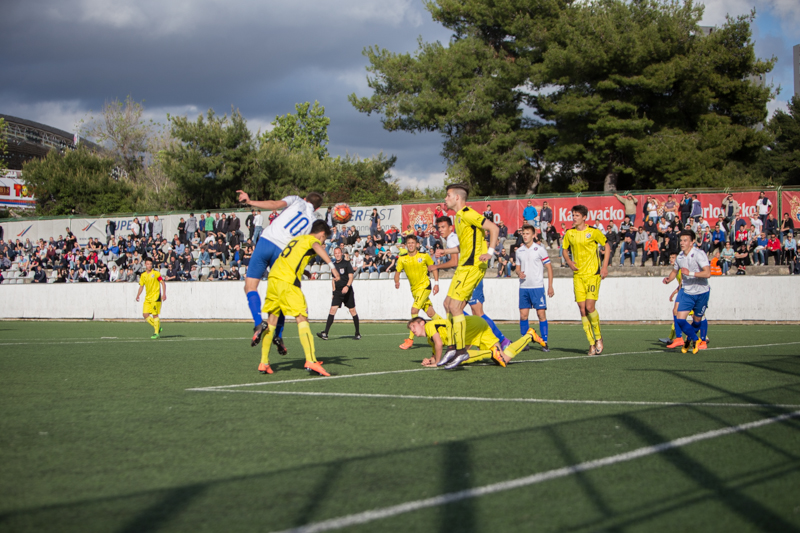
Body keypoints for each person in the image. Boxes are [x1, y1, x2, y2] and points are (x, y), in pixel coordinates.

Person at [237, 189, 323, 354]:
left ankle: (258, 322)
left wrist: (249, 202)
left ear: (305, 199)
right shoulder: (312, 221)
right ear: (317, 209)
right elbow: (303, 246)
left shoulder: (297, 200)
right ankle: (279, 335)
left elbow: (275, 205)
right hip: (283, 253)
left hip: (267, 241)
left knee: (250, 286)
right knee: (279, 296)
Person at [256, 220, 339, 376]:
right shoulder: (312, 240)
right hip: (288, 282)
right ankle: (311, 360)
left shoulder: (297, 240)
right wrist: (332, 267)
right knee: (302, 318)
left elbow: (292, 259)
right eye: (324, 239)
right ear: (321, 235)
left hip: (274, 279)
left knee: (272, 321)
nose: (322, 242)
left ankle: (264, 362)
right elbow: (316, 246)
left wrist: (305, 272)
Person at [430, 200, 504, 367]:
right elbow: (464, 248)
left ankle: (463, 349)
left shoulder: (468, 213)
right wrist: (446, 251)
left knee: (467, 309)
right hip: (464, 268)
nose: (445, 200)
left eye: (448, 195)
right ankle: (453, 347)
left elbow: (493, 228)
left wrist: (490, 252)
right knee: (448, 304)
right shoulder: (459, 217)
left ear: (456, 197)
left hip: (472, 268)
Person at [562, 204, 610, 355]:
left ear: (584, 217)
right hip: (578, 275)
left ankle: (599, 338)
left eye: (577, 215)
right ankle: (591, 343)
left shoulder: (593, 232)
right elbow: (564, 249)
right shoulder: (569, 233)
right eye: (573, 215)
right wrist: (569, 262)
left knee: (590, 307)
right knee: (582, 310)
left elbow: (607, 245)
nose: (574, 218)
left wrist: (604, 266)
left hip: (592, 275)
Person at [408, 316, 541, 369]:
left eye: (413, 326)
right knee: (503, 359)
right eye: (410, 329)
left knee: (458, 357)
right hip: (478, 325)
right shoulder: (428, 338)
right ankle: (529, 336)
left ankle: (490, 353)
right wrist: (430, 360)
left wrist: (436, 363)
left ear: (422, 323)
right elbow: (435, 351)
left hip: (470, 326)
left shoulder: (430, 326)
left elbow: (438, 344)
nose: (412, 331)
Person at [662, 229, 710, 354]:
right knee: (680, 319)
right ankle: (695, 338)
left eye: (685, 240)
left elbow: (707, 273)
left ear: (692, 241)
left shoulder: (699, 254)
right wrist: (669, 279)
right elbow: (674, 271)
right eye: (681, 240)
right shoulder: (680, 257)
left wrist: (691, 273)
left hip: (702, 292)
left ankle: (692, 339)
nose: (682, 243)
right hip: (688, 292)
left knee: (697, 320)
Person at [396, 234, 441, 350]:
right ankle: (450, 327)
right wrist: (397, 281)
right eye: (408, 243)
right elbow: (397, 272)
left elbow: (434, 268)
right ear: (405, 245)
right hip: (415, 291)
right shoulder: (402, 259)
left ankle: (410, 339)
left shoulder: (424, 256)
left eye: (412, 243)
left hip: (425, 287)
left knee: (414, 310)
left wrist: (436, 283)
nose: (410, 245)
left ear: (417, 244)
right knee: (431, 314)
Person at [514, 225, 553, 351]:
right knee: (523, 315)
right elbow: (517, 268)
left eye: (527, 233)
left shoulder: (540, 249)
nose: (525, 235)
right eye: (523, 233)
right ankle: (525, 342)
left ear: (533, 234)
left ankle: (544, 341)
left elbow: (549, 268)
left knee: (541, 314)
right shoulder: (519, 251)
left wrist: (550, 286)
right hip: (524, 287)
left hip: (537, 287)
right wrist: (518, 273)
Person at [317, 247, 361, 340]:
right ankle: (325, 333)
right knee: (332, 310)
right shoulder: (333, 266)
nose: (337, 254)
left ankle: (357, 333)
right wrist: (333, 292)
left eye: (338, 253)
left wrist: (347, 286)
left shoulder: (346, 264)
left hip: (347, 291)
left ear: (341, 253)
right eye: (335, 253)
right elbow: (333, 280)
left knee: (352, 311)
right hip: (338, 292)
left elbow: (351, 277)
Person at [135, 258, 167, 339]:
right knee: (145, 314)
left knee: (155, 315)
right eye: (148, 264)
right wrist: (138, 295)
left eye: (150, 264)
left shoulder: (156, 273)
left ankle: (156, 333)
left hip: (156, 297)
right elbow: (141, 286)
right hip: (148, 298)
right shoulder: (143, 275)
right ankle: (157, 327)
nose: (149, 265)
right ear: (145, 265)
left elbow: (162, 283)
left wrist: (164, 294)